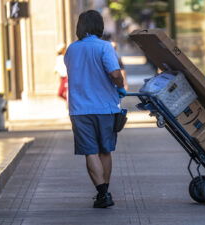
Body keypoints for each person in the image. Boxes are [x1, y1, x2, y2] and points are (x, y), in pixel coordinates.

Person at [64, 10, 126, 208]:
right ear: (99, 26)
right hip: (105, 107)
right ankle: (104, 192)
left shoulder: (71, 49)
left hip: (79, 109)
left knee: (90, 152)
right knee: (105, 151)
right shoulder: (104, 47)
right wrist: (120, 85)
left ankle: (102, 194)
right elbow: (115, 73)